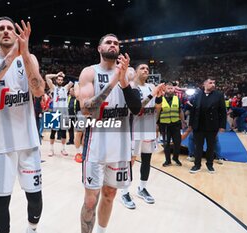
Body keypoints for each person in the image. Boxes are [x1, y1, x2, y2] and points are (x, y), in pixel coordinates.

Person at [0, 17, 45, 233]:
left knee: (35, 197)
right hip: (1, 145)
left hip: (29, 142)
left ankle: (31, 229)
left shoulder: (30, 57)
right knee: (1, 201)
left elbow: (38, 90)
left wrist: (23, 53)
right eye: (1, 29)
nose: (6, 31)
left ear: (16, 34)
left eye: (10, 28)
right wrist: (10, 56)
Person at [78, 33, 141, 233]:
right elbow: (87, 109)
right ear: (99, 48)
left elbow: (136, 108)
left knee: (110, 194)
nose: (113, 45)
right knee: (90, 200)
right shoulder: (89, 73)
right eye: (108, 42)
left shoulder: (129, 74)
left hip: (120, 146)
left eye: (116, 43)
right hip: (95, 145)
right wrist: (114, 80)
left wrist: (123, 80)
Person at [120, 63, 164, 208]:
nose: (146, 70)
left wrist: (159, 97)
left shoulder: (152, 86)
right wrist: (153, 93)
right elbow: (136, 108)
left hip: (149, 126)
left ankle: (142, 188)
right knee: (130, 160)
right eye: (142, 68)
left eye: (147, 69)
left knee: (147, 159)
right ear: (136, 72)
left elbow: (158, 106)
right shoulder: (130, 86)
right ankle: (124, 191)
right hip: (134, 127)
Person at [189, 78, 227, 174]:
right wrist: (190, 124)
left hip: (212, 125)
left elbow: (223, 111)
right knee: (198, 147)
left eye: (214, 83)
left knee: (211, 147)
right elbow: (193, 111)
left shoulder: (219, 95)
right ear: (204, 84)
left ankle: (209, 164)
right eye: (211, 83)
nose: (213, 84)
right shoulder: (198, 95)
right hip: (198, 125)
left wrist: (222, 126)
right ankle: (197, 165)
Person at [45, 71, 73, 156]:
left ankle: (63, 149)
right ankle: (51, 149)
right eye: (58, 79)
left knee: (64, 133)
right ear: (56, 80)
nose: (60, 81)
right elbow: (47, 76)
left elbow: (74, 80)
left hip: (64, 114)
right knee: (53, 132)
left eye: (61, 80)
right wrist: (56, 75)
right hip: (55, 113)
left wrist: (65, 75)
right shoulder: (53, 88)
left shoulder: (66, 88)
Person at [159, 82, 186, 167]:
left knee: (177, 142)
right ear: (165, 89)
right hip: (164, 125)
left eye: (171, 88)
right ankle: (167, 160)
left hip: (176, 124)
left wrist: (183, 121)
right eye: (168, 88)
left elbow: (180, 111)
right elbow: (158, 112)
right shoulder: (160, 99)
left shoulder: (177, 98)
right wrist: (156, 123)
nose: (170, 90)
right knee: (166, 143)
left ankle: (175, 158)